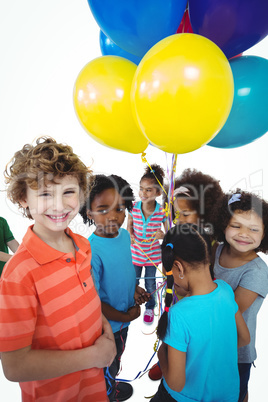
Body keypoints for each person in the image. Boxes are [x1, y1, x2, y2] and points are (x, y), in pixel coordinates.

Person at [0, 137, 116, 402]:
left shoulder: (83, 246)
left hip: (94, 387)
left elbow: (82, 301)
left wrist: (103, 326)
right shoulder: (18, 275)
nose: (59, 205)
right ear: (23, 199)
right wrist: (94, 356)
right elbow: (15, 366)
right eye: (44, 194)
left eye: (68, 192)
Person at [150, 224, 250, 402]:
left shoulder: (178, 315)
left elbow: (176, 383)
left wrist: (161, 357)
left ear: (178, 268)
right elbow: (244, 339)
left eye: (169, 275)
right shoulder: (225, 290)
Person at [80, 174, 150, 402]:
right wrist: (125, 315)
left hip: (122, 322)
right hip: (106, 327)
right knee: (106, 363)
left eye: (119, 208)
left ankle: (110, 384)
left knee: (116, 359)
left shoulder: (124, 236)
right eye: (103, 209)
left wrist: (133, 290)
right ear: (89, 213)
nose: (113, 216)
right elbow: (93, 302)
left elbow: (122, 271)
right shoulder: (92, 251)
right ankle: (106, 394)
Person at [149, 168, 223, 380]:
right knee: (170, 325)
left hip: (195, 301)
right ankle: (166, 356)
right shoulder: (175, 235)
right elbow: (167, 268)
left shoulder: (210, 242)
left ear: (203, 213)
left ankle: (181, 366)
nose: (178, 219)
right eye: (175, 214)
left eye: (186, 214)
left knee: (189, 336)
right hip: (174, 295)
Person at [212, 190, 268, 402]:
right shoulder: (216, 250)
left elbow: (229, 310)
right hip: (209, 342)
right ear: (223, 225)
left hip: (236, 352)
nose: (244, 234)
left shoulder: (257, 272)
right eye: (236, 226)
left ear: (264, 234)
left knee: (235, 394)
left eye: (254, 229)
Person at [127, 164, 167, 325]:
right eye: (141, 189)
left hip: (152, 256)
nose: (143, 193)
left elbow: (169, 232)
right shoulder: (134, 207)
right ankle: (131, 303)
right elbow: (129, 224)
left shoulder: (162, 212)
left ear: (158, 192)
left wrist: (163, 235)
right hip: (135, 253)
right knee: (133, 281)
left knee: (150, 283)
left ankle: (150, 306)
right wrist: (130, 234)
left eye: (148, 190)